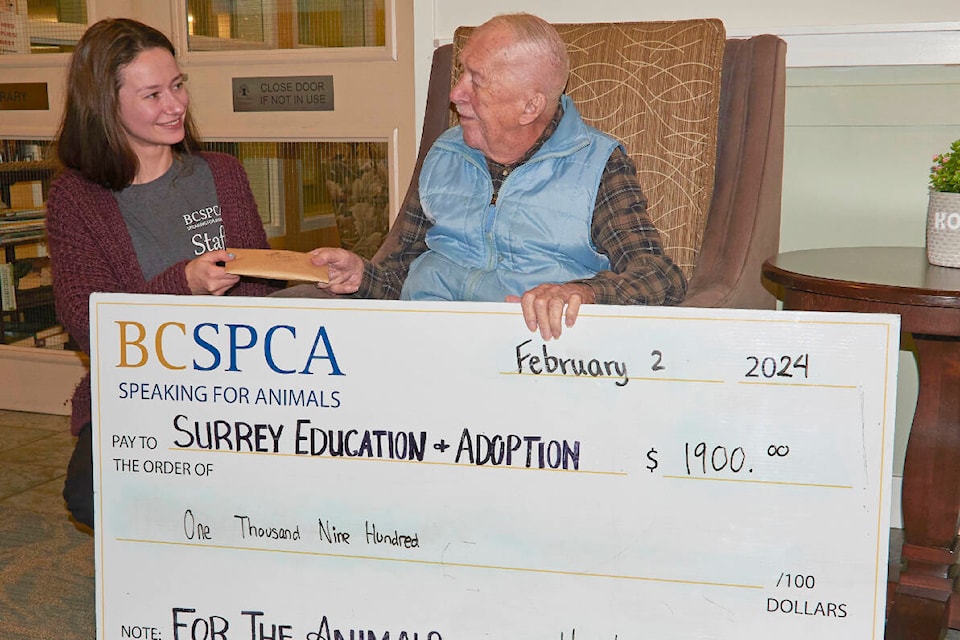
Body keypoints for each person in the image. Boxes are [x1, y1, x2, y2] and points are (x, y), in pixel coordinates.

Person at [293, 12, 686, 340]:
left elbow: (658, 276)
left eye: (476, 81)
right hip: (423, 344)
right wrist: (361, 276)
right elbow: (400, 273)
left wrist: (581, 292)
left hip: (520, 359)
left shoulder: (598, 164)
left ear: (529, 106)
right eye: (462, 73)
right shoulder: (445, 152)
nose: (456, 93)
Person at [45, 18, 282, 530]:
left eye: (177, 85)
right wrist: (187, 283)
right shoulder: (77, 198)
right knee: (90, 496)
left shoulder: (222, 174)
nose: (176, 105)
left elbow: (262, 290)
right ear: (106, 106)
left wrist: (309, 275)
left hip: (236, 382)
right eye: (153, 94)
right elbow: (90, 323)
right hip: (141, 389)